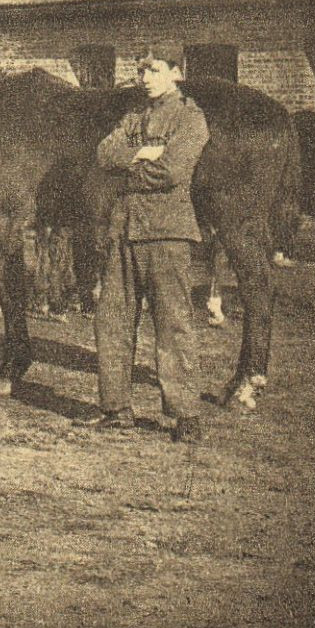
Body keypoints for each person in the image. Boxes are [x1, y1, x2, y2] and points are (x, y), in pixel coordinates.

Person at [80, 46, 209, 444]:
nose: (145, 77)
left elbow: (172, 171)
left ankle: (185, 415)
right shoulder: (133, 116)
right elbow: (104, 154)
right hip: (124, 231)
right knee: (112, 320)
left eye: (154, 70)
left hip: (167, 234)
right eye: (141, 70)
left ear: (175, 72)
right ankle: (116, 408)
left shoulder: (190, 117)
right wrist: (143, 153)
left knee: (173, 324)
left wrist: (128, 170)